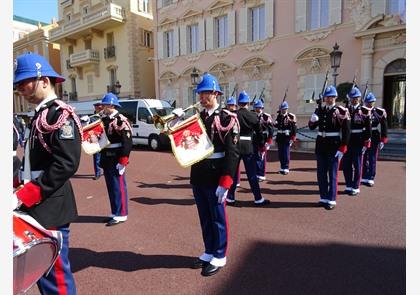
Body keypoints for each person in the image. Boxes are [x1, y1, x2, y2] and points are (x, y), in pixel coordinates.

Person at [12, 52, 82, 294]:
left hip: (50, 203)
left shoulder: (59, 114)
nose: (19, 87)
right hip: (37, 203)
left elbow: (66, 163)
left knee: (56, 277)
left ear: (44, 80)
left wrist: (26, 194)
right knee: (41, 272)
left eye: (24, 81)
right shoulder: (41, 114)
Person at [186, 73, 240, 276]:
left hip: (216, 174)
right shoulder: (198, 118)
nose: (201, 98)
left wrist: (226, 181)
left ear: (216, 93)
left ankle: (219, 254)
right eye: (200, 94)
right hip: (199, 173)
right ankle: (209, 250)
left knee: (217, 217)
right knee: (205, 216)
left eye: (205, 93)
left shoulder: (228, 118)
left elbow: (233, 152)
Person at [308, 85, 350, 210]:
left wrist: (343, 147)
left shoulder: (341, 111)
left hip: (333, 145)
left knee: (332, 173)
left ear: (335, 97)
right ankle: (323, 197)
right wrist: (312, 120)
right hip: (321, 144)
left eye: (331, 97)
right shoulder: (320, 110)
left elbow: (346, 131)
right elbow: (312, 127)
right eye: (327, 96)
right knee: (321, 173)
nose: (329, 99)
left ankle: (331, 199)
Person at [226, 91, 270, 206]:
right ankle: (258, 198)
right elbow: (260, 132)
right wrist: (261, 144)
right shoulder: (253, 115)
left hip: (235, 146)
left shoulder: (234, 115)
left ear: (238, 103)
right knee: (251, 174)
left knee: (234, 174)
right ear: (248, 103)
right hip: (248, 146)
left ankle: (230, 197)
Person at [99, 93, 133, 226]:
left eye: (105, 105)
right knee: (111, 186)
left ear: (111, 105)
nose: (103, 107)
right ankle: (114, 211)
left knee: (118, 186)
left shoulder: (121, 120)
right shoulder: (104, 119)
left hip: (117, 156)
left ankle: (122, 213)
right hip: (106, 156)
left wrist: (123, 160)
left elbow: (127, 142)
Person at [341, 87, 372, 196]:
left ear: (359, 98)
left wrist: (366, 142)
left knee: (357, 165)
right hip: (348, 141)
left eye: (356, 98)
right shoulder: (346, 110)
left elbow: (368, 128)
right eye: (352, 98)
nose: (354, 100)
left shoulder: (364, 111)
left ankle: (356, 186)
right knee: (346, 165)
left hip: (358, 141)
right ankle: (349, 185)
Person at [361, 92, 388, 187]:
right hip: (364, 136)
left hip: (374, 136)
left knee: (372, 157)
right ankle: (363, 176)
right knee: (363, 157)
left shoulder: (379, 112)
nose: (369, 104)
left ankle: (371, 177)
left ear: (374, 102)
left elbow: (384, 126)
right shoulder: (361, 111)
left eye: (371, 102)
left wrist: (383, 139)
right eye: (367, 102)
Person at [253, 99, 274, 181]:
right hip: (254, 138)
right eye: (257, 107)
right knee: (255, 156)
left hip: (263, 138)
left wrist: (268, 141)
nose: (258, 109)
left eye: (259, 107)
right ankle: (256, 173)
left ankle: (261, 174)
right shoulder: (253, 115)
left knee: (261, 157)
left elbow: (271, 130)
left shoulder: (266, 116)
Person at [273, 101, 297, 175]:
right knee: (280, 153)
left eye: (284, 109)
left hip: (287, 137)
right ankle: (282, 167)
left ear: (287, 109)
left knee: (286, 153)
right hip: (280, 136)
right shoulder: (279, 116)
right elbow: (277, 126)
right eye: (282, 109)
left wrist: (292, 138)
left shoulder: (290, 116)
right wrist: (275, 124)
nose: (283, 110)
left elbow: (294, 128)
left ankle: (286, 167)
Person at [92, 103, 104, 180]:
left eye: (100, 108)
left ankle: (105, 170)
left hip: (105, 139)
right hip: (96, 139)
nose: (99, 110)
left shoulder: (105, 116)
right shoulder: (93, 117)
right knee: (96, 157)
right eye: (98, 109)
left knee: (105, 157)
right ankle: (97, 173)